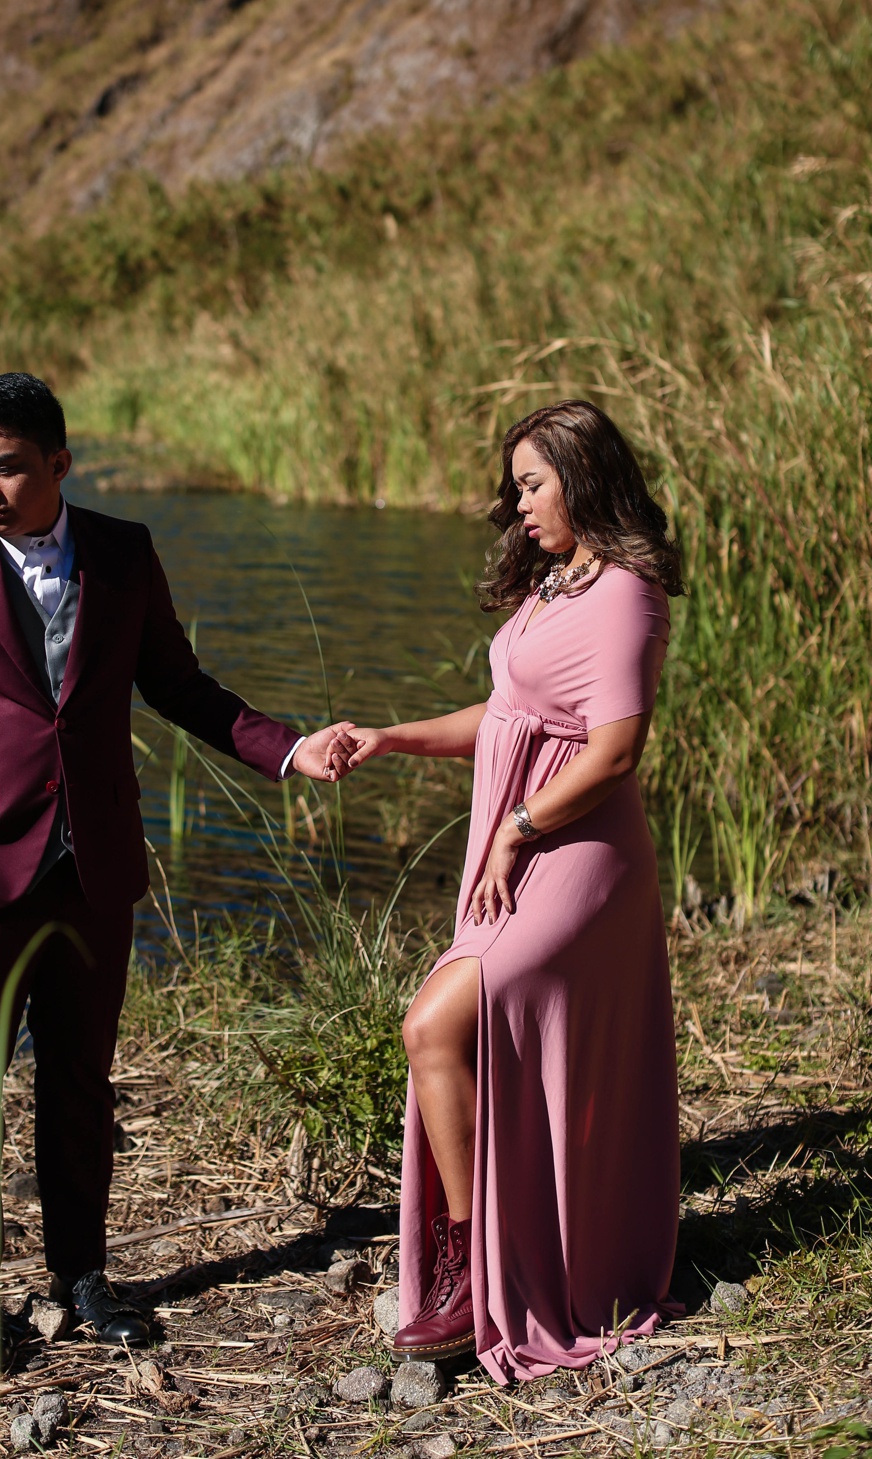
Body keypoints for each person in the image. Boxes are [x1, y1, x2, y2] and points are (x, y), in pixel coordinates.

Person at [0, 372, 354, 1367]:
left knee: (80, 1084)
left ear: (59, 463)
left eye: (5, 468)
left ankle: (82, 1276)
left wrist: (288, 750)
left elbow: (179, 686)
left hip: (92, 865)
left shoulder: (122, 552)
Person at [329, 400, 683, 1381]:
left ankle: (470, 1260)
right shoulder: (556, 584)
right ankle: (474, 1257)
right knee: (461, 1028)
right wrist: (392, 737)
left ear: (583, 474)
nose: (516, 503)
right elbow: (509, 714)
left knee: (435, 1023)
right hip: (526, 844)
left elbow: (613, 751)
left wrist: (520, 828)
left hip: (579, 855)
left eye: (532, 482)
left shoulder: (624, 593)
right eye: (514, 485)